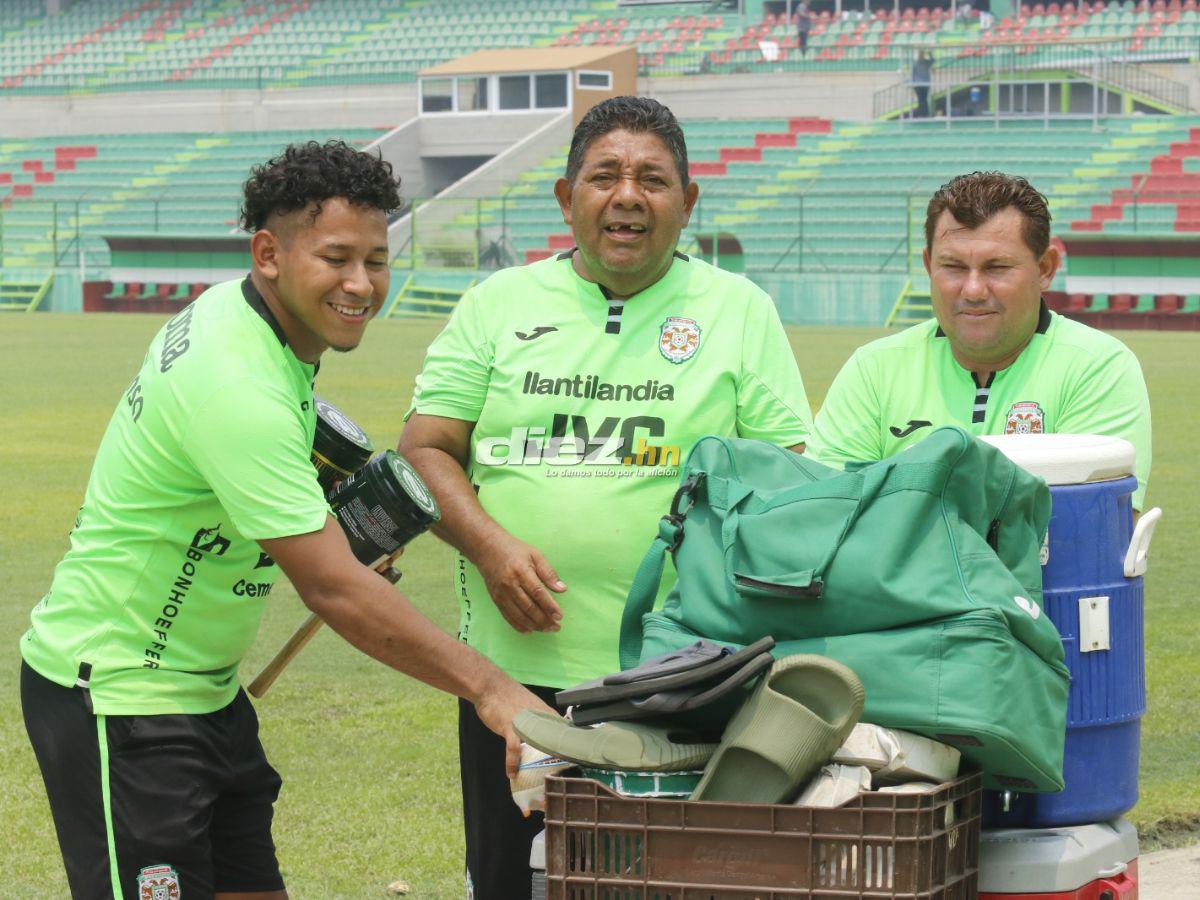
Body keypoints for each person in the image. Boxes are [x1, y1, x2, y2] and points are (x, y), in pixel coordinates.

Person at [20, 140, 550, 900]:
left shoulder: (247, 322)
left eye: (377, 258)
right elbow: (332, 589)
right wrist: (491, 689)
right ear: (269, 252)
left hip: (205, 694)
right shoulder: (236, 383)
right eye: (336, 258)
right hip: (120, 699)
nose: (362, 284)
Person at [399, 96, 813, 899]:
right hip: (515, 683)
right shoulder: (497, 305)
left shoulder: (739, 312)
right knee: (514, 883)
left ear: (688, 204)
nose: (628, 195)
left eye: (653, 179)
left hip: (684, 681)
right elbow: (424, 448)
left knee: (664, 885)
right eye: (605, 176)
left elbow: (784, 479)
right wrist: (490, 545)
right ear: (566, 197)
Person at [807, 171, 1152, 510]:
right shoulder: (874, 370)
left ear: (1045, 268)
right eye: (953, 267)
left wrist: (903, 501)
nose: (972, 290)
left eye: (996, 267)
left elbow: (1086, 531)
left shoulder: (1096, 367)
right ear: (929, 266)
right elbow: (825, 511)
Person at [912, 50, 933, 118]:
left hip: (924, 84)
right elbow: (913, 74)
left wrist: (930, 54)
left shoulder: (926, 62)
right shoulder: (916, 63)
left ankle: (924, 114)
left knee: (923, 99)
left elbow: (933, 60)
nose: (921, 56)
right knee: (921, 99)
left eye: (921, 54)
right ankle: (922, 114)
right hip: (919, 84)